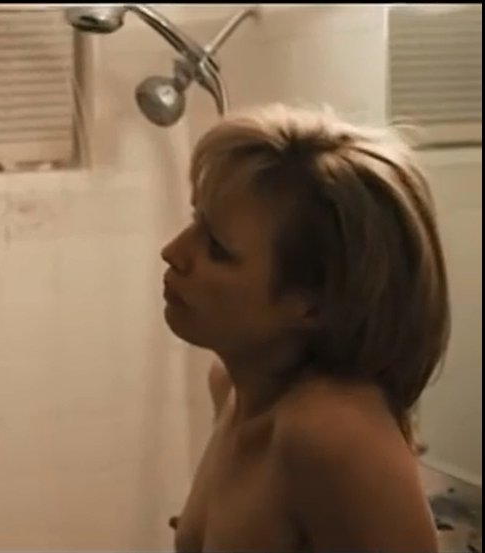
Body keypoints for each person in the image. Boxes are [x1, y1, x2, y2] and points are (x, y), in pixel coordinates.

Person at [162, 104, 447, 552]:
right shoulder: (233, 389)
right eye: (197, 221)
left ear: (313, 304)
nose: (173, 252)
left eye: (216, 247)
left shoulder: (332, 432)